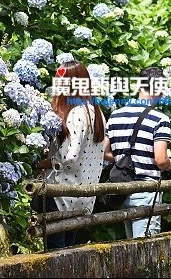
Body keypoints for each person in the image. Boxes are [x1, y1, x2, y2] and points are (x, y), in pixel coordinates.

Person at [36, 60, 106, 249]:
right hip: (83, 197)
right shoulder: (97, 113)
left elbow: (69, 158)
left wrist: (42, 163)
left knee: (55, 255)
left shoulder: (76, 113)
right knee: (69, 252)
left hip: (61, 195)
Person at [103, 66, 171, 239]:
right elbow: (161, 159)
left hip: (123, 190)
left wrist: (124, 161)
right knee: (146, 249)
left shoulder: (116, 116)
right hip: (146, 191)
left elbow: (105, 152)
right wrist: (169, 163)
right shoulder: (160, 119)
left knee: (132, 248)